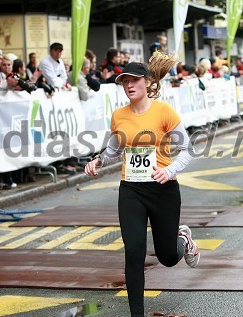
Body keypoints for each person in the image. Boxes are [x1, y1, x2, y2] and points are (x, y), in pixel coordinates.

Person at [84, 53, 199, 317]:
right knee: (134, 250)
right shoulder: (119, 116)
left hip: (163, 189)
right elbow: (114, 150)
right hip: (131, 189)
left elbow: (187, 150)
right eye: (124, 82)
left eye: (134, 80)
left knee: (167, 257)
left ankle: (182, 238)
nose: (129, 86)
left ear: (147, 82)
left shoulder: (164, 112)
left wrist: (169, 171)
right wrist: (98, 161)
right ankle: (137, 314)